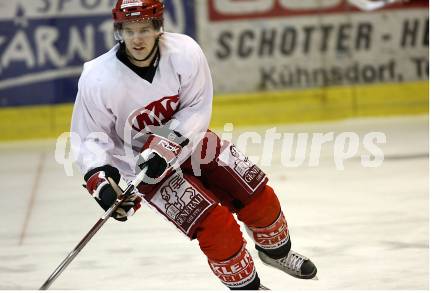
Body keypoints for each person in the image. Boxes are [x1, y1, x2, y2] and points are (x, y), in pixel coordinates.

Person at [70, 0, 317, 290]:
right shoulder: (98, 77)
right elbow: (89, 136)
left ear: (158, 28)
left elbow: (197, 106)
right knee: (216, 227)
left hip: (193, 142)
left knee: (257, 195)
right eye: (129, 30)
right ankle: (248, 288)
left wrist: (168, 141)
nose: (137, 38)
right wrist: (100, 178)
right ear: (119, 31)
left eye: (145, 29)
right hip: (143, 166)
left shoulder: (185, 53)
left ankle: (277, 254)